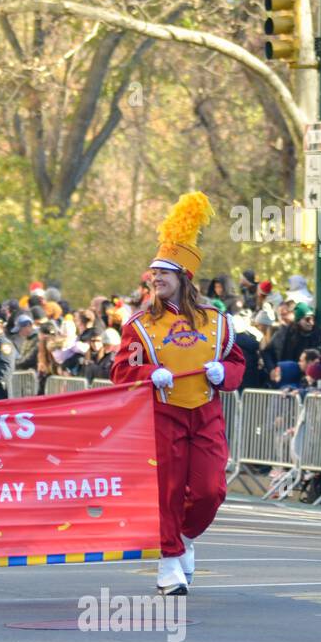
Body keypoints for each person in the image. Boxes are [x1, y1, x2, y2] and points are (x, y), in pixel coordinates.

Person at [112, 191, 245, 596]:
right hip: (163, 415)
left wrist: (225, 372)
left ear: (184, 278)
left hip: (205, 412)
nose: (156, 280)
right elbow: (120, 371)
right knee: (167, 491)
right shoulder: (139, 325)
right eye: (154, 274)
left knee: (211, 490)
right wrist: (150, 373)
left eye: (164, 274)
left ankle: (183, 537)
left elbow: (237, 364)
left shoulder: (217, 321)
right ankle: (168, 560)